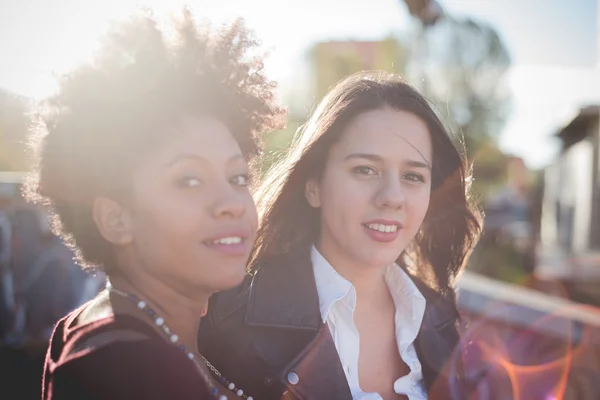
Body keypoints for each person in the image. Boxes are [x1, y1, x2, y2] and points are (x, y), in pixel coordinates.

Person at [26, 9, 284, 400]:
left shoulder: (137, 332)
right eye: (189, 180)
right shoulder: (120, 367)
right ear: (115, 218)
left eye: (238, 178)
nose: (231, 203)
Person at [198, 72, 482, 400]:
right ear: (313, 185)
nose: (393, 196)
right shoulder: (229, 321)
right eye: (365, 169)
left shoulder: (441, 319)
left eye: (412, 176)